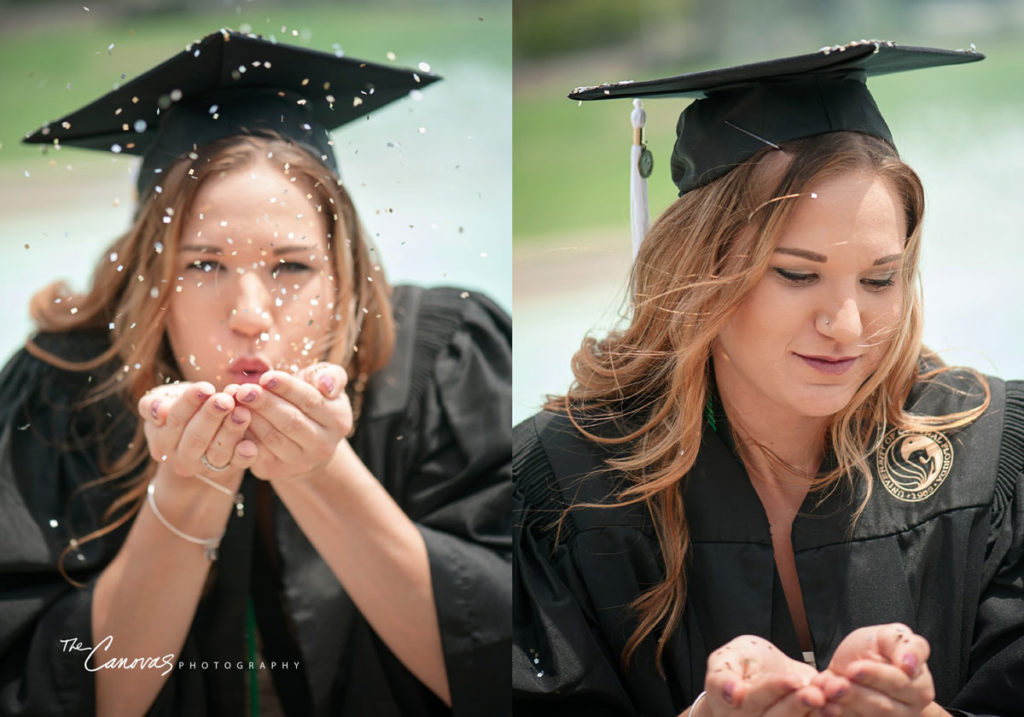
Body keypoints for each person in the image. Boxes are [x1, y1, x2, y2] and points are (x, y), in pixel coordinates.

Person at [0, 29, 511, 717]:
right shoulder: (60, 390)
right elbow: (43, 697)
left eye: (292, 265)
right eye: (204, 263)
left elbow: (500, 673)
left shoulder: (442, 362)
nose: (249, 312)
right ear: (152, 277)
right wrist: (185, 491)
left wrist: (317, 470)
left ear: (344, 273)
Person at [512, 41, 1024, 716]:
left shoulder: (992, 460)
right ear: (697, 271)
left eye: (879, 278)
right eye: (796, 273)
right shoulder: (567, 487)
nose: (846, 324)